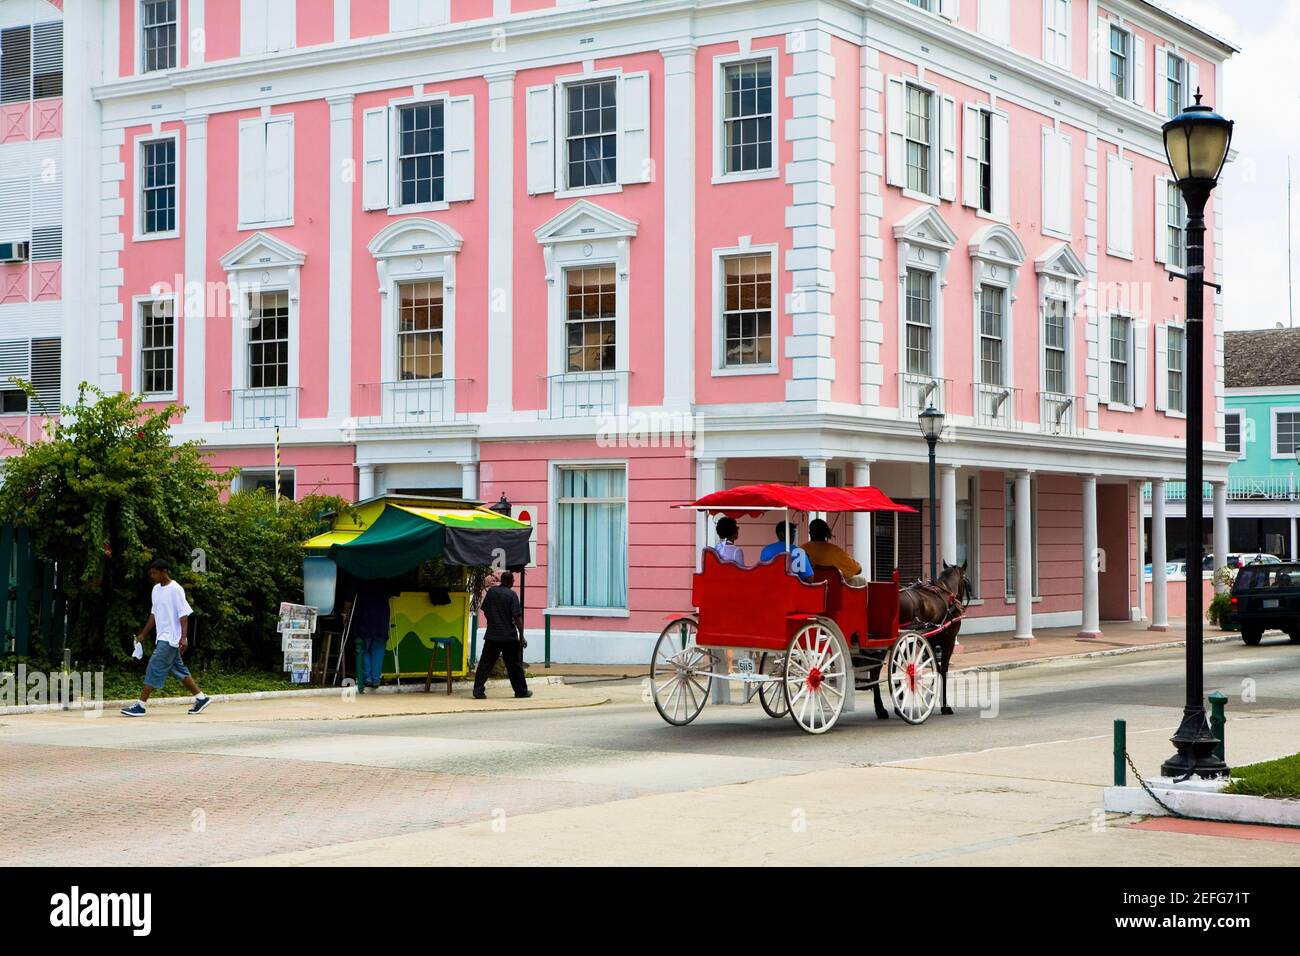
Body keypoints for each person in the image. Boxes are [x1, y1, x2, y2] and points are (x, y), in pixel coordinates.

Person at [121, 559, 210, 717]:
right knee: (179, 670)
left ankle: (140, 706)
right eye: (151, 573)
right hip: (162, 637)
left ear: (164, 572)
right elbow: (154, 614)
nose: (152, 576)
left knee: (153, 666)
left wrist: (184, 637)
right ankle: (201, 698)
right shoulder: (155, 590)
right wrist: (143, 634)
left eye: (155, 572)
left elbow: (183, 614)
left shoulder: (176, 589)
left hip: (171, 638)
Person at [472, 570, 531, 700]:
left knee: (485, 664)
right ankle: (521, 691)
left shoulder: (492, 592)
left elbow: (485, 610)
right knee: (514, 665)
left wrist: (493, 621)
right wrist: (521, 635)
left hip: (492, 635)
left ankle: (478, 690)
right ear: (510, 582)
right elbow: (517, 618)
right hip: (509, 636)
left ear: (501, 581)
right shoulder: (512, 595)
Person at [804, 517, 866, 586]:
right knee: (860, 579)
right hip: (835, 590)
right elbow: (858, 570)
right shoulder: (836, 551)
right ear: (826, 534)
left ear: (810, 533)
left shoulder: (801, 550)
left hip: (811, 590)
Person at [353, 581, 392, 689]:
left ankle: (368, 678)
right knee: (378, 650)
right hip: (381, 619)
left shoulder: (362, 577)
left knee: (365, 649)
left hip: (365, 618)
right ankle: (375, 679)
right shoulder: (386, 578)